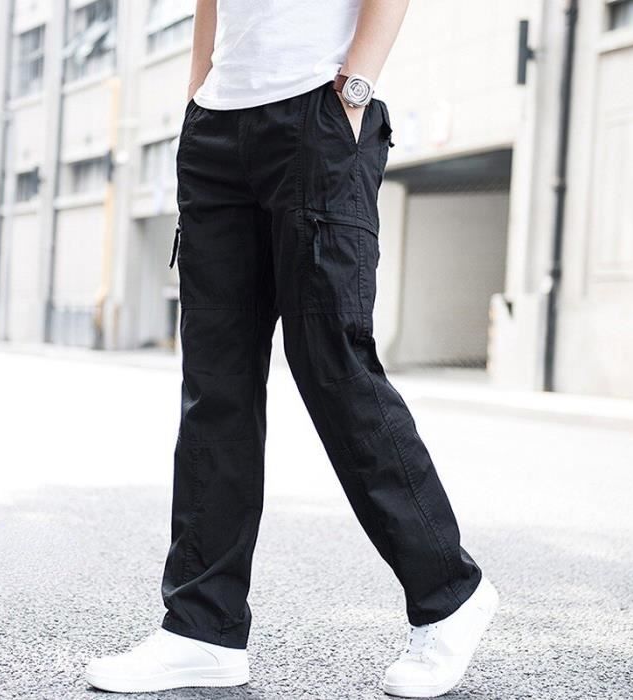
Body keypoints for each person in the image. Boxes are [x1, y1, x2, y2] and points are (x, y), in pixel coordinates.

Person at [86, 0, 499, 696]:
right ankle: (202, 629)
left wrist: (354, 93)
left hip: (317, 112)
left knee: (334, 366)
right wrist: (198, 95)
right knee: (215, 386)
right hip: (217, 127)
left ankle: (450, 596)